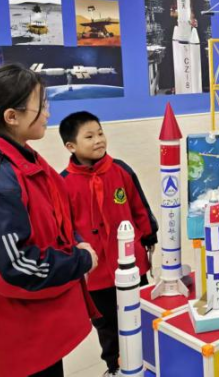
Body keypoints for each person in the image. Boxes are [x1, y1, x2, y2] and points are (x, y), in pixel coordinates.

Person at [0, 65, 98, 377]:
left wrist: (76, 242)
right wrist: (79, 260)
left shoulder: (24, 162)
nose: (47, 113)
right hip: (20, 339)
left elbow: (52, 217)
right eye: (41, 105)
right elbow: (15, 266)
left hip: (39, 327)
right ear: (12, 117)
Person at [60, 111, 158, 377]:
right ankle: (114, 366)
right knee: (106, 325)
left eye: (100, 133)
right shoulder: (63, 183)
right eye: (89, 136)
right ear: (71, 146)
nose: (99, 140)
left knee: (140, 315)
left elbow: (139, 207)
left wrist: (149, 236)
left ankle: (149, 361)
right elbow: (64, 227)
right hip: (95, 275)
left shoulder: (121, 170)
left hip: (132, 265)